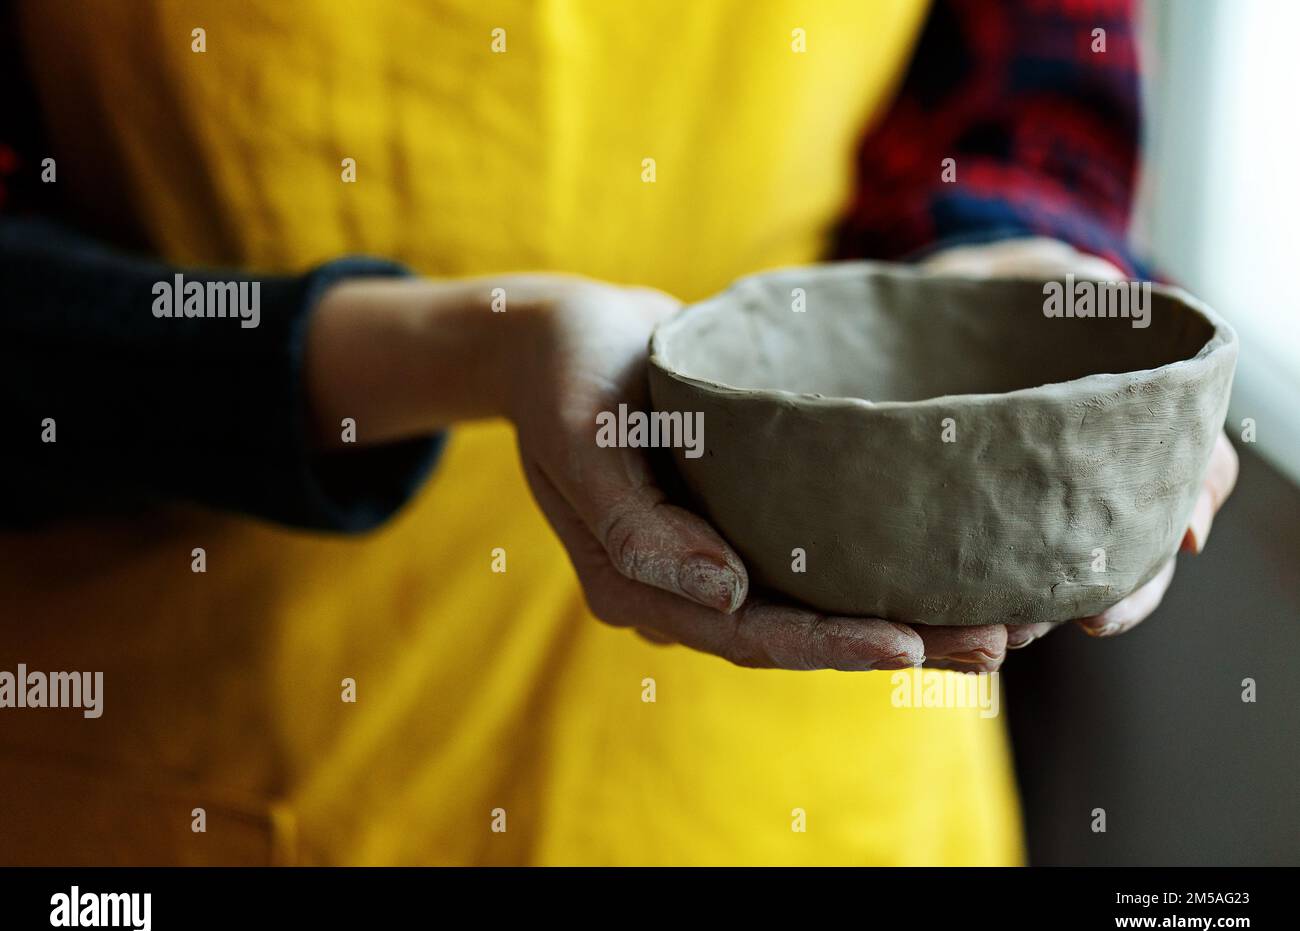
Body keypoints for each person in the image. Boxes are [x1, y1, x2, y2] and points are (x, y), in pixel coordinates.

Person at [0, 0, 1236, 865]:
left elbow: (1021, 98)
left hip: (809, 777)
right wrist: (458, 346)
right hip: (202, 753)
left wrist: (1010, 277)